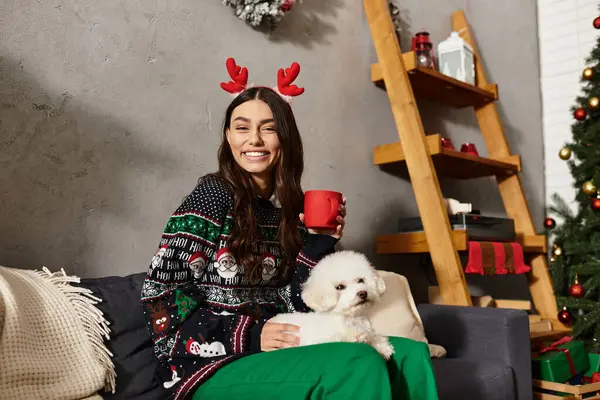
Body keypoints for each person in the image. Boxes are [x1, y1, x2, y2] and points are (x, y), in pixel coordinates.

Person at [140, 58, 439, 400]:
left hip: (282, 348)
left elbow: (300, 304)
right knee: (357, 360)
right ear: (228, 136)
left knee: (410, 356)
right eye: (242, 127)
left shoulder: (283, 214)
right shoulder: (210, 197)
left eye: (268, 128)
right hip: (206, 367)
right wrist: (252, 334)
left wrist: (319, 244)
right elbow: (158, 299)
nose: (255, 139)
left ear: (285, 138)